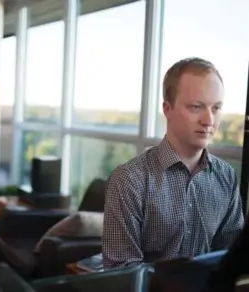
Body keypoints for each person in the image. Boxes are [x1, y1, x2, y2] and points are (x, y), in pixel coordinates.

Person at [102, 57, 244, 269]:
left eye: (216, 108)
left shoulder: (226, 176)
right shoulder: (129, 180)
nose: (209, 121)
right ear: (167, 109)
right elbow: (122, 273)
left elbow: (232, 259)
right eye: (196, 107)